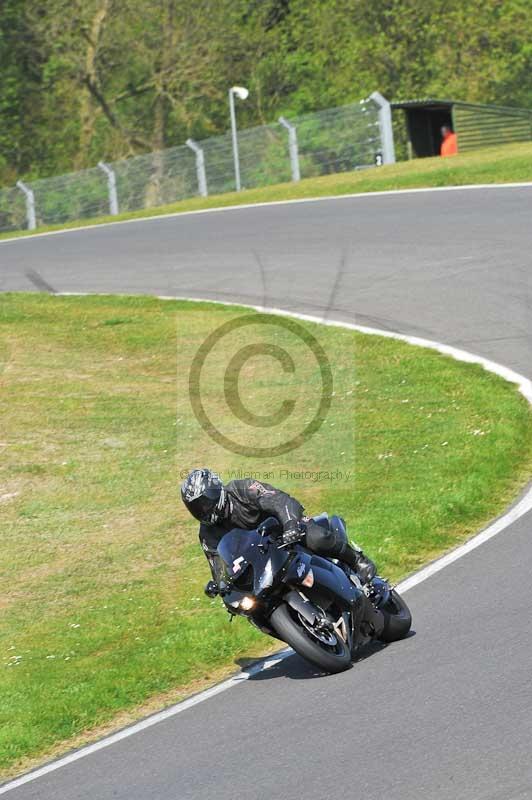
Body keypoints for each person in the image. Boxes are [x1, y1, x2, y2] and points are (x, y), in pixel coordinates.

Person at [181, 468, 376, 597]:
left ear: (217, 491)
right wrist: (219, 585)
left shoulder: (241, 489)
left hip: (284, 532)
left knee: (318, 538)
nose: (203, 510)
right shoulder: (207, 534)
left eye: (205, 503)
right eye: (196, 507)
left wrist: (291, 524)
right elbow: (217, 564)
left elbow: (279, 501)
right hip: (260, 558)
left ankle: (356, 560)